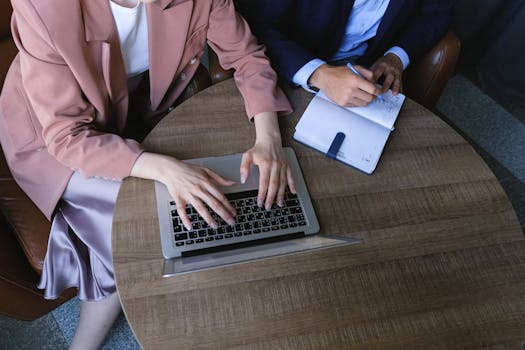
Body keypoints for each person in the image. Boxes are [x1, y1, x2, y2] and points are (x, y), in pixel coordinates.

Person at [0, 0, 294, 348]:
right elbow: (66, 137)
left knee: (190, 213)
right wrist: (163, 168)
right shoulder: (43, 7)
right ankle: (84, 344)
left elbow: (246, 54)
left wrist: (268, 139)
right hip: (50, 140)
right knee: (145, 225)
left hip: (126, 116)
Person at [237, 0, 454, 107]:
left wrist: (396, 56)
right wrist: (318, 74)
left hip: (366, 73)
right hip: (287, 67)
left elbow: (435, 15)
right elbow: (256, 24)